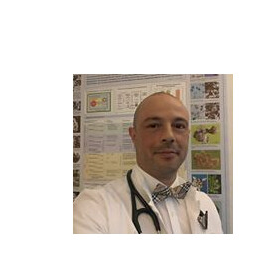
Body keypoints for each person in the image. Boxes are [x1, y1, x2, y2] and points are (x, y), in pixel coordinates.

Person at [73, 92, 223, 234]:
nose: (169, 136)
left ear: (188, 135)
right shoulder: (93, 207)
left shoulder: (205, 204)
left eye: (179, 126)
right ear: (134, 135)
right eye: (154, 126)